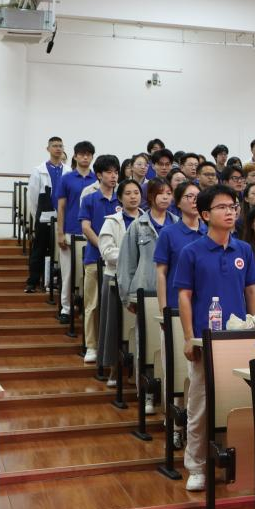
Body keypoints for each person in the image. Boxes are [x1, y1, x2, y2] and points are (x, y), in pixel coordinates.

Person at [175, 185, 255, 492]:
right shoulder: (191, 252)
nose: (230, 212)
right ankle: (196, 466)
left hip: (239, 340)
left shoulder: (244, 250)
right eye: (222, 207)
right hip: (205, 342)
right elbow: (184, 297)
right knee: (200, 405)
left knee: (242, 401)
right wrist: (188, 337)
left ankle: (243, 461)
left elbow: (251, 291)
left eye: (233, 207)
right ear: (205, 214)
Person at [116, 178, 174, 414]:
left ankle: (168, 396)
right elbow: (126, 264)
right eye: (161, 193)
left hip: (171, 294)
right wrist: (127, 296)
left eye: (169, 193)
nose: (165, 197)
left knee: (169, 347)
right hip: (145, 293)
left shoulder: (177, 224)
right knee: (147, 346)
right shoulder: (137, 226)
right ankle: (147, 394)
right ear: (150, 197)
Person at [78, 155, 122, 363]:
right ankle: (91, 345)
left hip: (118, 261)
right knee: (93, 304)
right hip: (94, 257)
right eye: (109, 172)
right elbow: (86, 227)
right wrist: (104, 248)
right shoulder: (89, 199)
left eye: (116, 172)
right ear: (99, 175)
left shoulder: (122, 198)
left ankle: (113, 347)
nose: (113, 176)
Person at [97, 180, 142, 382]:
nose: (133, 197)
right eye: (128, 193)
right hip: (114, 278)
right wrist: (133, 256)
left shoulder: (147, 220)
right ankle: (114, 369)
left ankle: (138, 371)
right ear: (120, 198)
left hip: (141, 279)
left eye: (136, 192)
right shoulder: (111, 222)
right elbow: (107, 252)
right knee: (114, 326)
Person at [56, 141, 96, 325]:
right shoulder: (66, 178)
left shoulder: (97, 179)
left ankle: (84, 306)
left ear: (92, 157)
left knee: (87, 273)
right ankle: (65, 308)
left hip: (91, 233)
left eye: (88, 154)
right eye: (82, 154)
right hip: (70, 231)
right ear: (75, 156)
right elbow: (61, 207)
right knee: (68, 273)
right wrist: (60, 232)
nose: (85, 157)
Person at [154, 183, 207, 313]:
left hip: (207, 306)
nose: (195, 200)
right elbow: (161, 273)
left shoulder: (210, 232)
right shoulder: (168, 233)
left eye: (198, 196)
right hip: (176, 305)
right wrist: (163, 309)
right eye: (189, 196)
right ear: (178, 203)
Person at [25, 136, 67, 293]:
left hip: (63, 217)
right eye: (54, 145)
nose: (58, 148)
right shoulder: (39, 170)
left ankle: (55, 282)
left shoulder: (68, 171)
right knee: (39, 249)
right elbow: (33, 197)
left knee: (60, 251)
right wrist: (38, 215)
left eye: (60, 146)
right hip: (44, 215)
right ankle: (33, 281)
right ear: (48, 149)